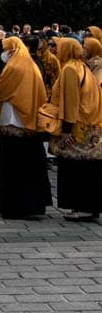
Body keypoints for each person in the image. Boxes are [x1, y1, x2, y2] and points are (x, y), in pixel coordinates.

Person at [0, 36, 51, 219]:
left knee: (14, 168)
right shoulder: (31, 65)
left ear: (11, 50)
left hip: (13, 121)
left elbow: (2, 91)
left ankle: (14, 206)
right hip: (29, 122)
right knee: (31, 166)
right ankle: (33, 204)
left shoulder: (14, 67)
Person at [49, 37, 102, 221]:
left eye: (57, 46)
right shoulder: (82, 66)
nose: (53, 49)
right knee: (87, 169)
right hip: (88, 124)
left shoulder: (71, 69)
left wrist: (66, 129)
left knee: (78, 169)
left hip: (77, 127)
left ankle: (83, 207)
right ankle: (89, 207)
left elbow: (71, 101)